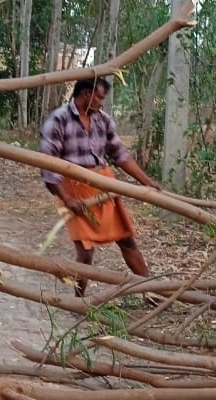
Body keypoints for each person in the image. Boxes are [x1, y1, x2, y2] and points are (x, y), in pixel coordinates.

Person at [40, 76, 161, 296]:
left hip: (104, 186)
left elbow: (121, 155)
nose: (102, 102)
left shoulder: (103, 120)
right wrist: (67, 199)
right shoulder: (58, 120)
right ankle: (79, 302)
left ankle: (152, 291)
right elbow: (48, 166)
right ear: (87, 94)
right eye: (100, 97)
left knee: (126, 240)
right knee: (85, 250)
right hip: (75, 191)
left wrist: (146, 181)